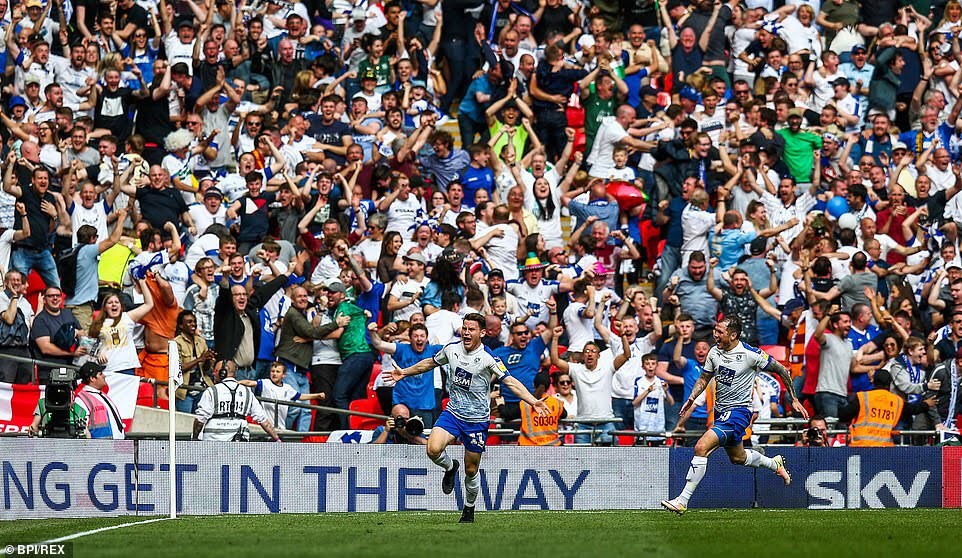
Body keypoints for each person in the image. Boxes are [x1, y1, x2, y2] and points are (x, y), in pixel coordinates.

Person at [382, 313, 549, 523]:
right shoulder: (451, 349)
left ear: (482, 333)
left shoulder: (489, 358)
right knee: (432, 449)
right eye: (464, 328)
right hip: (453, 412)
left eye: (471, 329)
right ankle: (450, 467)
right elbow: (429, 363)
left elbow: (511, 382)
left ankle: (469, 509)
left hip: (477, 420)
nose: (466, 332)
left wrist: (533, 401)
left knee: (471, 469)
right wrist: (405, 372)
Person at [661, 316, 807, 515]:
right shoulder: (714, 352)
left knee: (701, 447)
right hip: (722, 413)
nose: (715, 334)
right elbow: (705, 377)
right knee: (738, 458)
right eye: (715, 330)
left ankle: (682, 500)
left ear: (733, 334)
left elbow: (781, 369)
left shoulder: (750, 354)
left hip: (739, 413)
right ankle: (774, 463)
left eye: (720, 332)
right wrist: (692, 397)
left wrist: (794, 398)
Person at [839, 369, 937, 447]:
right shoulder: (896, 401)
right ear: (889, 384)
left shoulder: (862, 397)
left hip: (860, 446)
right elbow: (913, 409)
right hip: (884, 449)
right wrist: (927, 404)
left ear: (873, 382)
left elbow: (843, 415)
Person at [192, 359, 282, 442]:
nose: (214, 374)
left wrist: (195, 439)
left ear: (222, 373)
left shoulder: (211, 391)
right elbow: (263, 421)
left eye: (216, 371)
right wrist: (277, 439)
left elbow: (200, 420)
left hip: (213, 443)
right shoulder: (247, 392)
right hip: (240, 444)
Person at [73, 362, 127, 440]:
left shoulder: (102, 395)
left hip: (117, 445)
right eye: (100, 374)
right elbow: (81, 429)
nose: (104, 376)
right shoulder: (81, 400)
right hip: (101, 448)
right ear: (92, 378)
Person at [519, 372, 567, 446]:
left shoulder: (524, 403)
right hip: (552, 448)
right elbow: (564, 414)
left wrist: (500, 404)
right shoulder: (556, 403)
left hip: (528, 448)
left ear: (534, 385)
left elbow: (507, 414)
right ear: (548, 386)